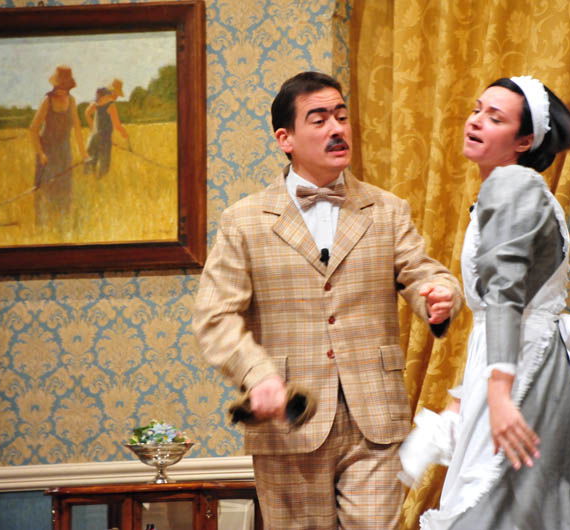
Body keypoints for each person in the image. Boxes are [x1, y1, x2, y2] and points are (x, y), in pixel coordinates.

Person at [193, 71, 464, 529]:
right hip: (290, 419)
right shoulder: (244, 220)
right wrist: (257, 376)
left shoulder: (386, 209)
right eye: (319, 120)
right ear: (285, 139)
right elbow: (215, 316)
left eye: (341, 116)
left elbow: (423, 271)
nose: (336, 128)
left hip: (375, 416)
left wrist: (439, 294)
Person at [399, 76, 570, 529]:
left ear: (524, 141)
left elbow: (506, 294)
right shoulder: (510, 189)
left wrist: (498, 393)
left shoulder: (514, 184)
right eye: (477, 109)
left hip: (525, 371)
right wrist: (460, 408)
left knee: (507, 511)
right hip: (517, 361)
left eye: (495, 118)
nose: (476, 121)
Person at [29, 65, 88, 230]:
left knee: (64, 190)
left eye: (65, 87)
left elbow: (77, 128)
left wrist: (83, 153)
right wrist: (41, 153)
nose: (62, 90)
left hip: (64, 151)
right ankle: (42, 228)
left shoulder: (72, 100)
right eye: (60, 86)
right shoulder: (47, 101)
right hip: (47, 151)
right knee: (46, 190)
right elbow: (33, 129)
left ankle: (62, 227)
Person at [84, 78, 128, 178]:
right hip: (104, 139)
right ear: (113, 92)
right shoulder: (111, 105)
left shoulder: (97, 101)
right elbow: (117, 125)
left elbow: (87, 113)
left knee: (90, 165)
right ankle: (100, 183)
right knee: (104, 167)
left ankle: (90, 184)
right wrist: (124, 133)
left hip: (93, 138)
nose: (117, 97)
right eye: (117, 94)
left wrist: (93, 128)